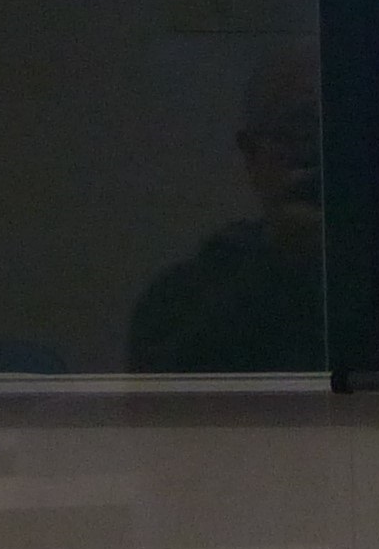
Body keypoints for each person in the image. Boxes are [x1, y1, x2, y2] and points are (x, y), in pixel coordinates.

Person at [124, 43, 326, 372]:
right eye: (298, 131)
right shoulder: (183, 298)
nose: (319, 152)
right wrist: (278, 266)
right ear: (251, 154)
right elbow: (170, 388)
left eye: (339, 128)